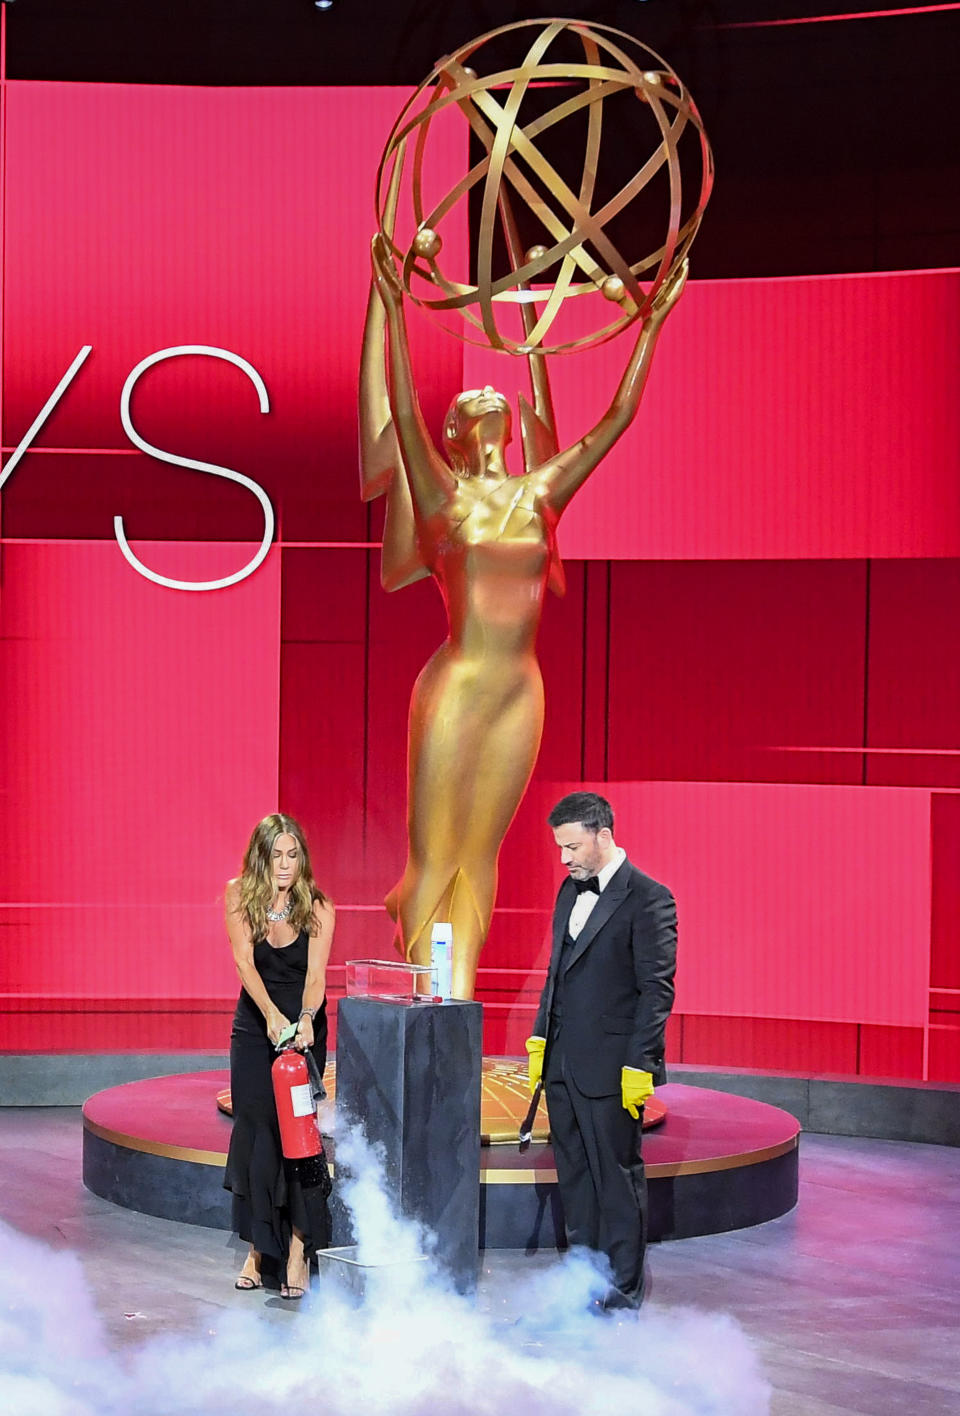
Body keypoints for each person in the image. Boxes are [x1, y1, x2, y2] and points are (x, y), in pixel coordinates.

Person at [361, 234, 686, 998]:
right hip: (456, 684)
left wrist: (653, 327)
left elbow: (619, 418)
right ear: (450, 436)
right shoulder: (441, 497)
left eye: (494, 396)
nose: (487, 396)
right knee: (435, 857)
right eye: (468, 401)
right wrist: (392, 304)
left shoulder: (541, 495)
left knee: (482, 854)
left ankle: (456, 1005)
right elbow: (401, 406)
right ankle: (424, 1001)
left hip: (519, 691)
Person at [526, 791, 677, 1310]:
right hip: (564, 1066)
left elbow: (657, 991)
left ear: (603, 836)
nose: (564, 858)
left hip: (613, 1069)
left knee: (615, 1179)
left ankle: (622, 1292)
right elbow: (556, 975)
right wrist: (540, 1036)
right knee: (576, 1179)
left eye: (571, 846)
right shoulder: (568, 893)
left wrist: (641, 1066)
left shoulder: (650, 898)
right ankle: (582, 1281)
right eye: (559, 847)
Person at [222, 813, 335, 1298]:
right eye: (276, 855)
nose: (285, 864)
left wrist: (306, 1017)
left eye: (293, 855)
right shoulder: (238, 895)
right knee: (257, 1127)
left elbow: (316, 976)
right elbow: (245, 962)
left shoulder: (319, 906)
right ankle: (257, 1247)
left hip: (304, 1028)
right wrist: (269, 1015)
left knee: (299, 1139)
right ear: (260, 856)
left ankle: (296, 1248)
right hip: (255, 1025)